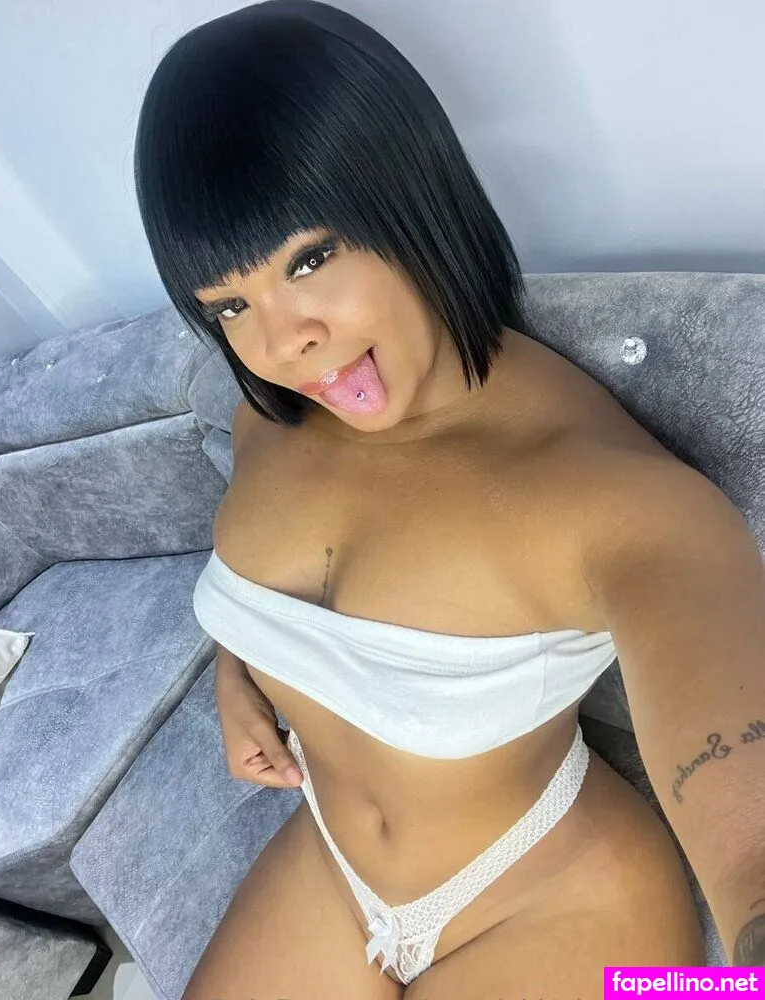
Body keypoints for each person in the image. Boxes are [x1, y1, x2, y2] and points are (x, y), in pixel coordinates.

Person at [134, 2, 765, 996]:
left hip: (560, 902)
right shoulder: (266, 410)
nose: (282, 341)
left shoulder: (620, 503)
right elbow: (275, 581)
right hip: (331, 864)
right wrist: (238, 668)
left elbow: (747, 828)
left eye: (309, 259)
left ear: (409, 191)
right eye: (232, 305)